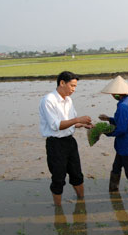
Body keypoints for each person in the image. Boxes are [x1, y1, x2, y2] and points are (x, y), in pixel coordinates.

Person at [39, 71, 93, 206]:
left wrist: (83, 124)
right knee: (58, 177)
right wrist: (77, 119)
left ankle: (81, 201)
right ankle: (58, 209)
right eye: (72, 86)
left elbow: (71, 122)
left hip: (70, 141)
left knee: (77, 174)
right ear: (62, 83)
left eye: (75, 87)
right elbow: (56, 125)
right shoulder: (48, 100)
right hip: (55, 144)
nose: (73, 90)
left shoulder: (68, 100)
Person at [99, 75, 128, 194]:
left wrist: (106, 132)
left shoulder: (123, 106)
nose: (112, 96)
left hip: (127, 145)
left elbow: (121, 129)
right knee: (116, 167)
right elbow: (123, 121)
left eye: (113, 94)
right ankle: (113, 189)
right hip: (124, 144)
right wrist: (109, 119)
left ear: (118, 94)